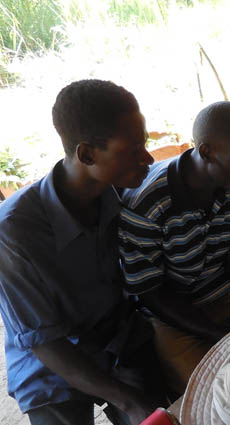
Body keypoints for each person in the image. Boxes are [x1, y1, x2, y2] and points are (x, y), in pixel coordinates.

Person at [0, 80, 166, 425]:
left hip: (115, 336)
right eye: (133, 149)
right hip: (50, 364)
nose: (147, 159)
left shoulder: (119, 192)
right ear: (87, 154)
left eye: (145, 144)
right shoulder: (13, 233)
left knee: (175, 409)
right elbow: (47, 345)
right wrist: (131, 401)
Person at [118, 101, 230, 394]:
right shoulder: (148, 204)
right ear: (206, 152)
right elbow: (151, 292)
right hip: (176, 316)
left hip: (227, 288)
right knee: (216, 395)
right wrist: (219, 334)